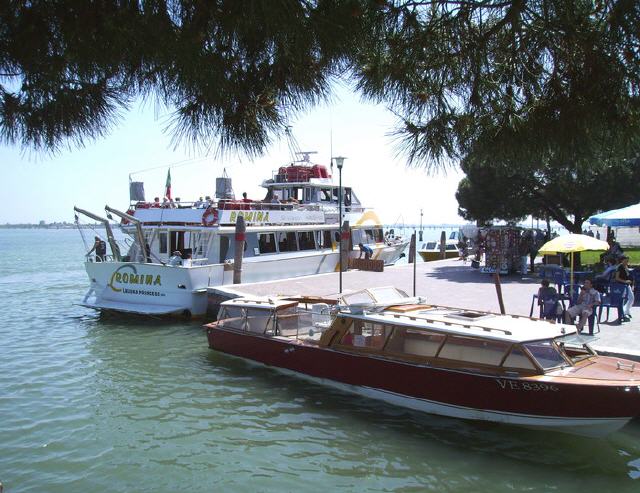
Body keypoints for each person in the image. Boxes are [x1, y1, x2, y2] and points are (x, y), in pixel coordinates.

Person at [614, 255, 634, 322]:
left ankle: (626, 310)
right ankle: (622, 313)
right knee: (622, 299)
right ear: (622, 260)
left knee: (631, 298)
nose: (627, 262)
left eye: (627, 261)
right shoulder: (619, 267)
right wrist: (625, 281)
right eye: (625, 261)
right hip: (621, 285)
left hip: (627, 285)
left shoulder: (625, 266)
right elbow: (617, 278)